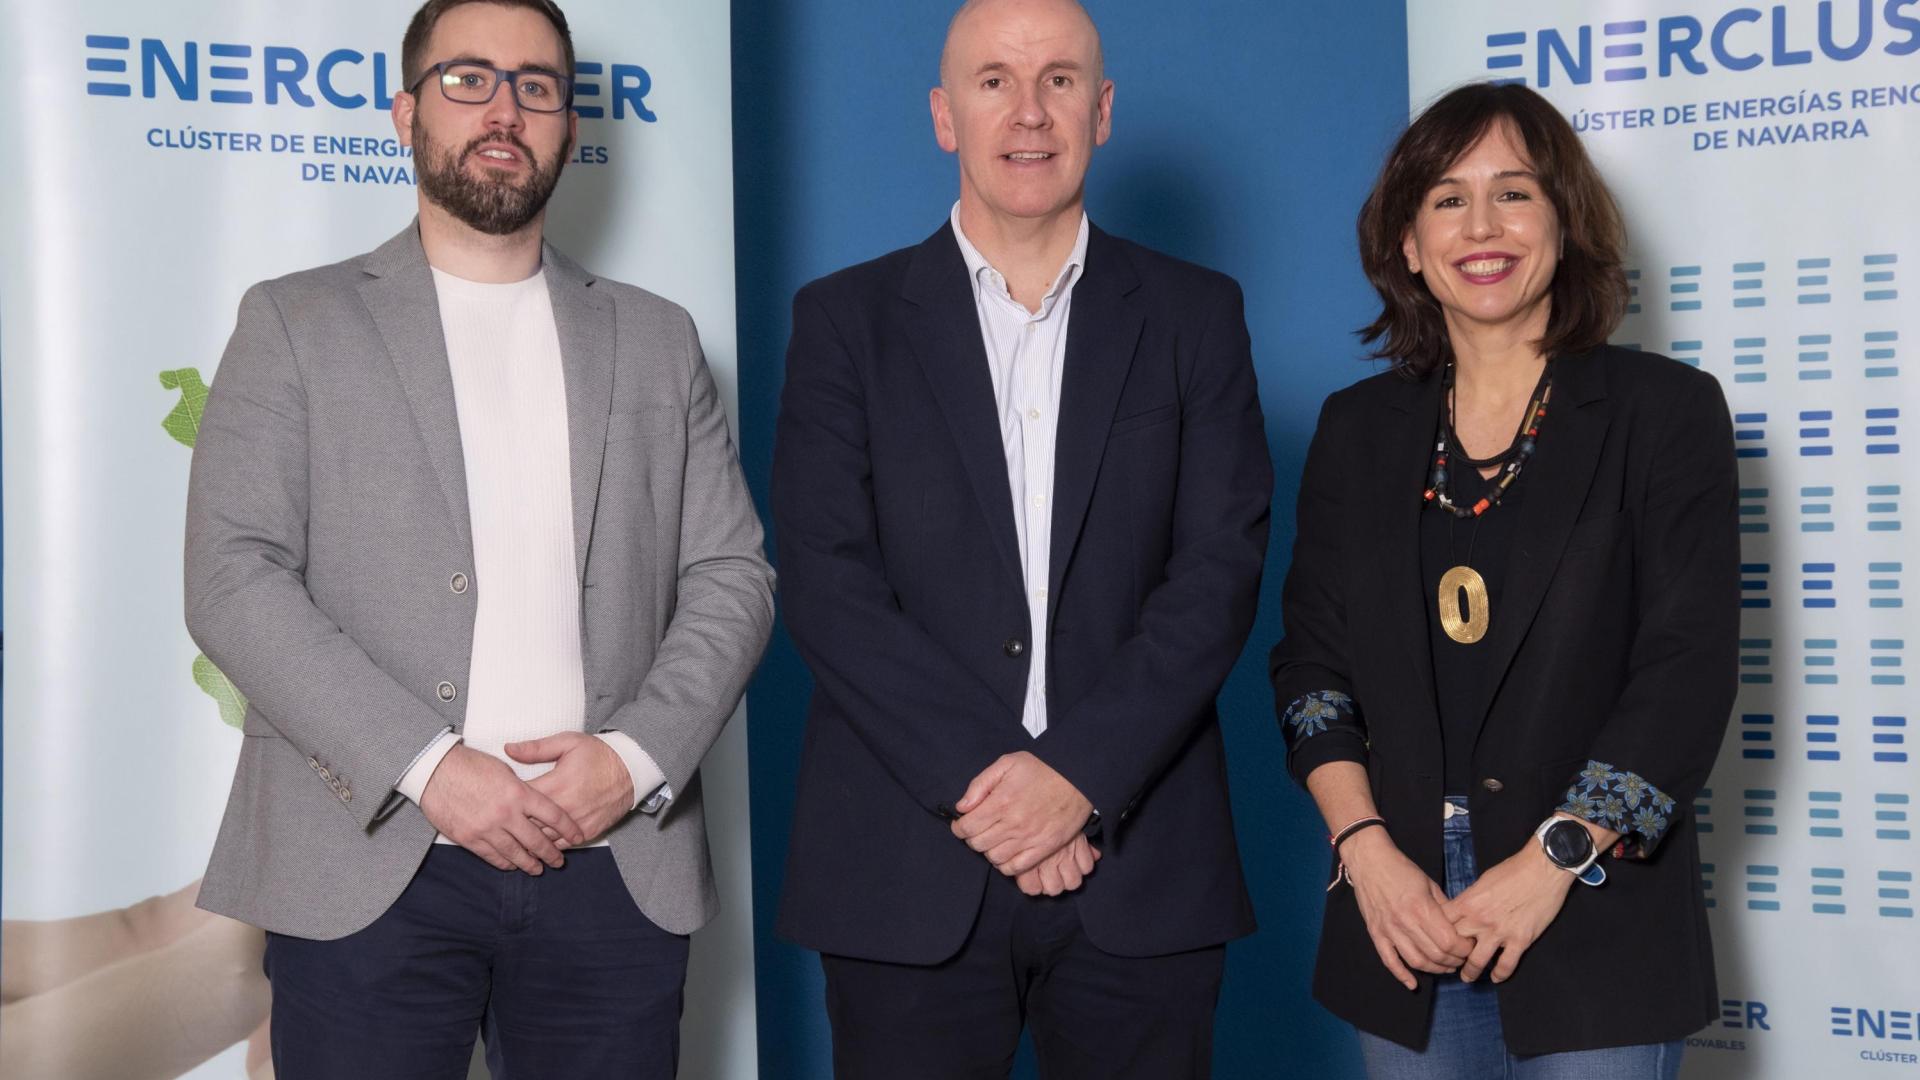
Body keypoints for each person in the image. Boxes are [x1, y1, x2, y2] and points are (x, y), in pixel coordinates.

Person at [183, 0, 774, 1075]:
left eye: (536, 86)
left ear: (564, 121)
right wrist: (428, 767)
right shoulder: (292, 322)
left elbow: (733, 577)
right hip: (368, 864)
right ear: (405, 113)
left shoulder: (655, 337)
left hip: (612, 865)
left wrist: (632, 762)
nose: (504, 108)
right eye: (469, 81)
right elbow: (232, 578)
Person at [771, 1, 1272, 1076]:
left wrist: (1078, 777)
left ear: (1102, 109)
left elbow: (1219, 570)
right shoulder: (842, 322)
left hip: (1141, 868)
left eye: (1059, 81)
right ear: (946, 116)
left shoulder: (1195, 315)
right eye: (994, 80)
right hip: (908, 872)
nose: (1029, 110)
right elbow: (826, 582)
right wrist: (993, 788)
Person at [1268, 82, 1738, 1078]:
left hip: (1592, 897)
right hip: (1400, 910)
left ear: (1565, 223)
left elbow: (1686, 672)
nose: (1481, 226)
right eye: (1446, 198)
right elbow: (1312, 669)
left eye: (1514, 194)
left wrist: (1553, 861)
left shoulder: (1666, 413)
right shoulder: (1357, 431)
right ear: (1407, 242)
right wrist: (1367, 854)